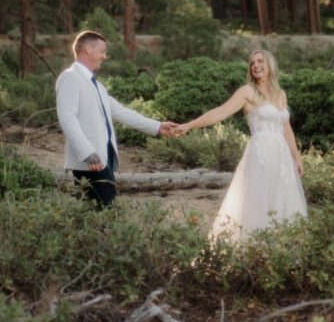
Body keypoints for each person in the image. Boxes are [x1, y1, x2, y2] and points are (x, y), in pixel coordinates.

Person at [173, 49, 307, 240]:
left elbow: (286, 129)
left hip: (282, 159)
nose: (256, 66)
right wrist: (189, 125)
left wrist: (297, 158)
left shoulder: (280, 94)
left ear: (270, 64)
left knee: (282, 201)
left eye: (260, 61)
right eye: (252, 63)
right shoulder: (248, 92)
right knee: (259, 203)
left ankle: (283, 251)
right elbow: (220, 112)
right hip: (261, 156)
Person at [56, 30, 177, 207]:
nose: (104, 57)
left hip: (103, 159)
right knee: (100, 212)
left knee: (102, 211)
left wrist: (157, 126)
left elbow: (122, 112)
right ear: (88, 49)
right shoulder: (70, 77)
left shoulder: (97, 85)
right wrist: (87, 152)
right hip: (90, 161)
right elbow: (67, 118)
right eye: (102, 51)